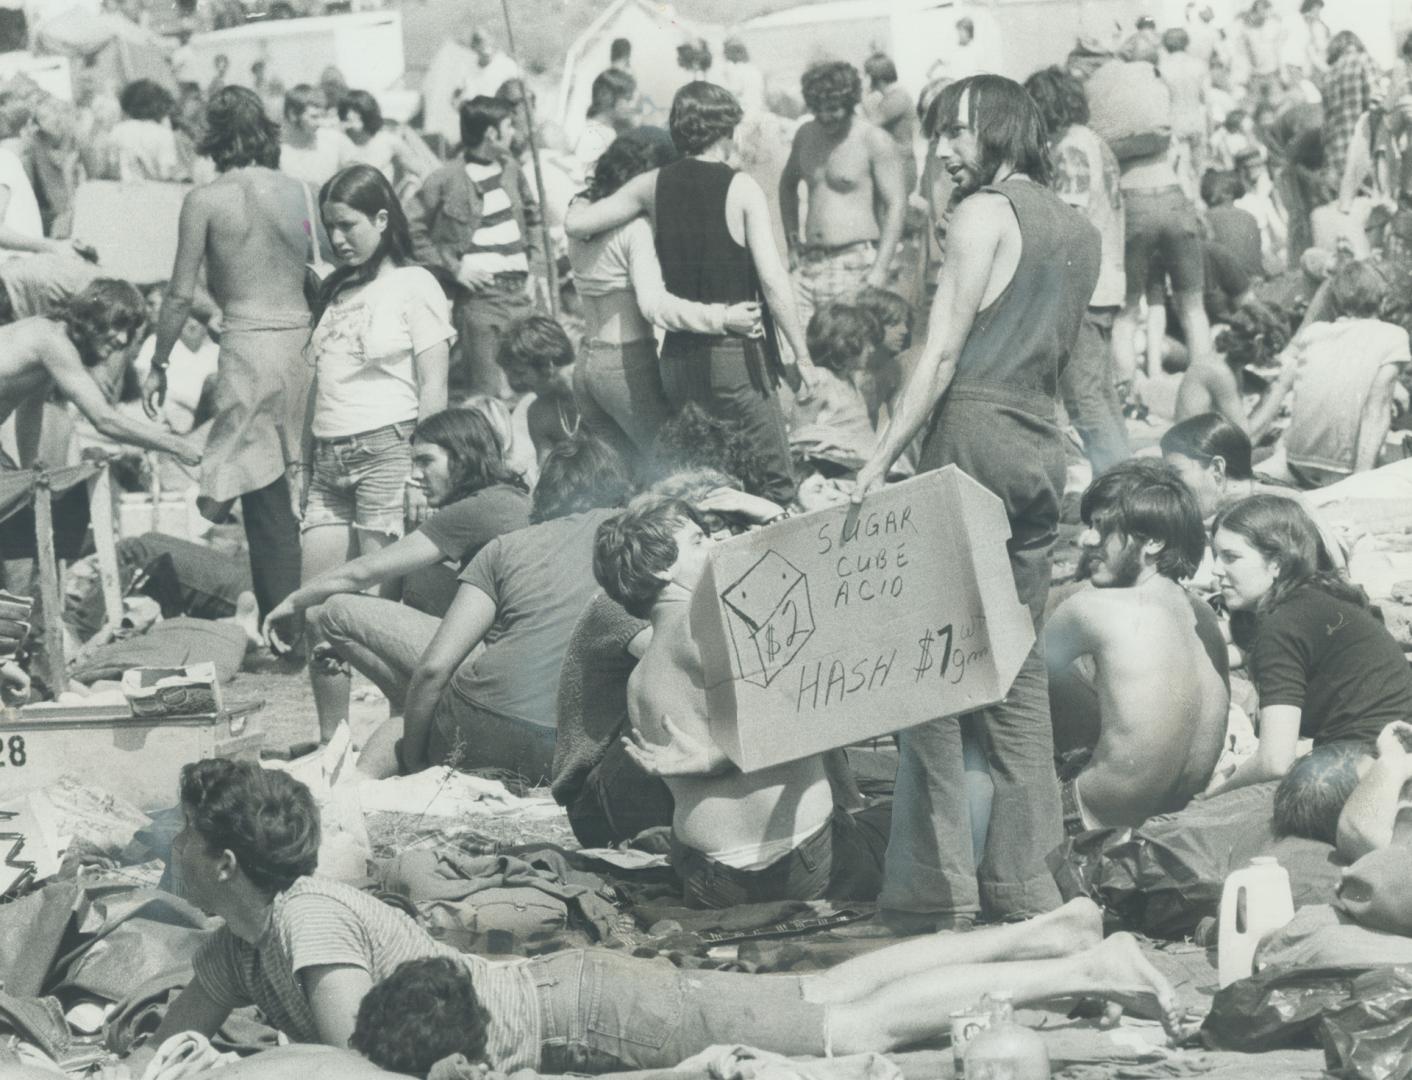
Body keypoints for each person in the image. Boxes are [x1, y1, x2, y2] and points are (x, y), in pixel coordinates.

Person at [129, 757, 1184, 1080]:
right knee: (828, 992)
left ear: (223, 859)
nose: (171, 851)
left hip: (579, 1017)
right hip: (573, 1003)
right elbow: (172, 1026)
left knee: (843, 1026)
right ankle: (1046, 939)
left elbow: (365, 1065)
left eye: (182, 839)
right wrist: (171, 1049)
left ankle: (1075, 977)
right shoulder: (241, 942)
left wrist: (236, 1061)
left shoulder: (307, 923)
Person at [853, 75, 1100, 929]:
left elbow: (943, 353)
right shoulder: (1077, 229)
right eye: (937, 135)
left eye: (957, 132)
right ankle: (1029, 883)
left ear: (998, 127)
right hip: (1037, 450)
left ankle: (935, 889)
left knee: (933, 675)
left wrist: (879, 457)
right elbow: (1078, 368)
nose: (944, 151)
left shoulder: (981, 214)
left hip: (969, 440)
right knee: (1016, 673)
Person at [600, 494, 887, 907]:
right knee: (900, 819)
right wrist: (721, 757)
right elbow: (810, 705)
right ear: (662, 568)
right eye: (699, 540)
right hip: (803, 864)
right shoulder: (717, 624)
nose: (717, 543)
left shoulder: (638, 681)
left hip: (710, 883)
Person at [564, 81, 818, 506]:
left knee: (708, 476)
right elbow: (774, 279)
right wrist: (802, 355)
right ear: (728, 130)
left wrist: (579, 195)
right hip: (734, 352)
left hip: (677, 360)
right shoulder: (741, 188)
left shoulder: (650, 185)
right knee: (772, 480)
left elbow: (578, 223)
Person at [144, 86, 326, 625]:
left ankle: (285, 627)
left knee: (262, 492)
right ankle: (317, 614)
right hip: (303, 340)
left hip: (246, 343)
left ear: (214, 140)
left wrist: (160, 361)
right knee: (310, 483)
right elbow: (322, 273)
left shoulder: (204, 199)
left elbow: (179, 293)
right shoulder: (303, 192)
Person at [292, 164, 453, 740]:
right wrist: (301, 462)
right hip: (328, 462)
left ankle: (397, 738)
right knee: (317, 611)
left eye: (348, 225)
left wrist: (419, 471)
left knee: (378, 619)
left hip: (390, 450)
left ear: (383, 219)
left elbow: (434, 384)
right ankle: (333, 745)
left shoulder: (417, 285)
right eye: (329, 228)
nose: (337, 239)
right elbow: (318, 385)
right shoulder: (335, 289)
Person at [263, 408, 529, 733]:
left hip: (498, 673)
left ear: (462, 457)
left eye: (426, 461)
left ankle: (407, 724)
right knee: (418, 572)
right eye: (413, 462)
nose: (415, 475)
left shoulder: (476, 510)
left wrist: (294, 602)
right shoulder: (508, 497)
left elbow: (363, 572)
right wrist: (364, 642)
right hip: (516, 669)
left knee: (331, 609)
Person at [387, 436, 632, 781]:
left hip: (477, 727)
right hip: (570, 743)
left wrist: (415, 761)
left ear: (543, 491)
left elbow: (433, 668)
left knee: (400, 712)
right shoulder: (637, 535)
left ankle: (361, 779)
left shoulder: (504, 547)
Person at [1045, 460, 1230, 832]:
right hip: (1169, 823)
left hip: (1087, 821)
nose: (1088, 540)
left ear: (1154, 541)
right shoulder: (1202, 616)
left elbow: (1012, 694)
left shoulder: (1091, 609)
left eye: (1103, 528)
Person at [566, 129, 760, 466]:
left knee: (621, 476)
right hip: (625, 364)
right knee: (676, 466)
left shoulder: (582, 213)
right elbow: (654, 307)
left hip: (586, 364)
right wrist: (723, 317)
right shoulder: (634, 229)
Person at [1203, 496, 1412, 798]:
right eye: (1215, 557)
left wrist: (1217, 794)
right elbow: (1233, 644)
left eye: (1230, 557)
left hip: (1376, 767)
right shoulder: (1313, 597)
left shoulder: (1282, 624)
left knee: (1192, 824)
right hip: (1394, 743)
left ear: (1276, 563)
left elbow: (1275, 761)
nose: (1215, 572)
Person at [1024, 66, 1131, 475]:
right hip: (1107, 280)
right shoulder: (1095, 142)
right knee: (1101, 393)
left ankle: (1119, 489)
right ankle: (1128, 479)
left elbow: (1066, 222)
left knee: (1084, 401)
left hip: (1082, 287)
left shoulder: (1068, 149)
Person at [409, 96, 543, 398]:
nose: (514, 132)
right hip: (482, 301)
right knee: (489, 395)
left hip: (523, 297)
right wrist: (454, 268)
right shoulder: (445, 178)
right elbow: (410, 229)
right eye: (508, 126)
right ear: (491, 133)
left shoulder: (512, 170)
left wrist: (534, 268)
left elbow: (534, 218)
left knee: (534, 391)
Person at [0, 279, 201, 473]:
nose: (123, 339)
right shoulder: (53, 342)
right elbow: (104, 419)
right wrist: (175, 445)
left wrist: (30, 471)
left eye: (129, 331)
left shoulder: (51, 336)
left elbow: (30, 410)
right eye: (118, 325)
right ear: (92, 320)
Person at [779, 61, 907, 327]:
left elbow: (896, 204)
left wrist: (880, 269)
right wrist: (792, 242)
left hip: (855, 266)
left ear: (849, 103)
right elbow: (787, 186)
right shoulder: (805, 134)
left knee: (846, 356)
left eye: (833, 109)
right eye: (818, 110)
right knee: (803, 357)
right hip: (808, 265)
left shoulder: (874, 139)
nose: (825, 117)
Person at [1271, 261, 1410, 487]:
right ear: (1383, 299)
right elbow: (1376, 411)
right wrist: (1359, 483)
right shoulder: (1393, 337)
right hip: (1340, 473)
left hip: (1296, 462)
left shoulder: (1314, 333)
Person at [1159, 411, 1345, 573]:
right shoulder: (1240, 505)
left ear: (1217, 469)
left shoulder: (1280, 509)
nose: (1170, 484)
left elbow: (1336, 573)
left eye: (1176, 472)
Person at [495, 315, 578, 465]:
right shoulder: (538, 413)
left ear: (547, 363)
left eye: (520, 373)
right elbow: (547, 477)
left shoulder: (597, 392)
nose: (515, 383)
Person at [1322, 32, 1377, 189]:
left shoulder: (1328, 75)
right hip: (1365, 151)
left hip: (1339, 157)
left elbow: (1327, 124)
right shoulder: (1363, 60)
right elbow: (1376, 104)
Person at [338, 90, 422, 190]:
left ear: (367, 111)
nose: (350, 115)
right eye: (346, 111)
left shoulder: (387, 140)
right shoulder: (339, 141)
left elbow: (418, 171)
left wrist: (402, 197)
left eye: (356, 110)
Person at [280, 84, 358, 187]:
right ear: (293, 114)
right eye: (314, 117)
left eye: (322, 116)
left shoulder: (335, 140)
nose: (320, 123)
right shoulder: (276, 148)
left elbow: (359, 175)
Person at [1160, 29, 1208, 191]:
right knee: (1198, 172)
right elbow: (1206, 99)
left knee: (1180, 172)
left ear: (1165, 45)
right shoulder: (1199, 65)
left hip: (1175, 120)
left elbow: (1162, 100)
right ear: (1187, 43)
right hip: (1196, 118)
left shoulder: (1161, 68)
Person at [572, 69, 637, 189]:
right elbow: (581, 181)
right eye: (627, 99)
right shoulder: (593, 135)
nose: (632, 105)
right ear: (606, 97)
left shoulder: (608, 131)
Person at [863, 53, 917, 193]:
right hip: (895, 163)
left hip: (901, 164)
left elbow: (869, 124)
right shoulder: (890, 97)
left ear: (873, 76)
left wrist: (862, 93)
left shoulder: (898, 97)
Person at [109, 78, 182, 181]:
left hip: (122, 190)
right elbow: (165, 173)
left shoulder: (118, 130)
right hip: (153, 191)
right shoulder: (164, 134)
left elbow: (113, 168)